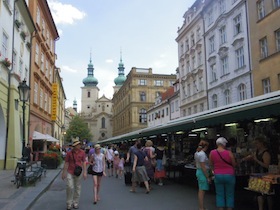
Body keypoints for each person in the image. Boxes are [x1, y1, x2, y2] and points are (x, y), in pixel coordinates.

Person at [244, 137, 272, 210]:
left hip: (264, 174)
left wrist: (256, 160)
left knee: (266, 193)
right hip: (257, 174)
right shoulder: (256, 151)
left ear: (261, 143)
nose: (255, 145)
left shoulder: (265, 153)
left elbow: (267, 165)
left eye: (257, 143)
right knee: (258, 192)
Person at [209, 137, 236, 210]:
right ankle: (229, 208)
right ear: (224, 144)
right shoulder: (229, 153)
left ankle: (221, 208)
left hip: (218, 175)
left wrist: (213, 171)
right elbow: (234, 164)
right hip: (229, 174)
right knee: (230, 194)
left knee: (219, 194)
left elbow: (211, 164)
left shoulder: (212, 152)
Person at [62, 137, 87, 210]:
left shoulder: (82, 152)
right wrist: (64, 173)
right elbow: (66, 163)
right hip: (70, 171)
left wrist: (85, 172)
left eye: (79, 144)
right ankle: (69, 203)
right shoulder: (69, 153)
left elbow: (84, 162)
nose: (79, 146)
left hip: (79, 172)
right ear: (74, 146)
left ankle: (75, 202)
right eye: (78, 145)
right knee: (69, 186)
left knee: (77, 188)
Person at [194, 140, 210, 210]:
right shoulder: (202, 154)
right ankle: (201, 207)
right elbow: (203, 167)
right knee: (202, 191)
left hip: (198, 171)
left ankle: (201, 207)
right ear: (205, 146)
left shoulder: (197, 153)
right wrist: (208, 177)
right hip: (202, 172)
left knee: (201, 190)